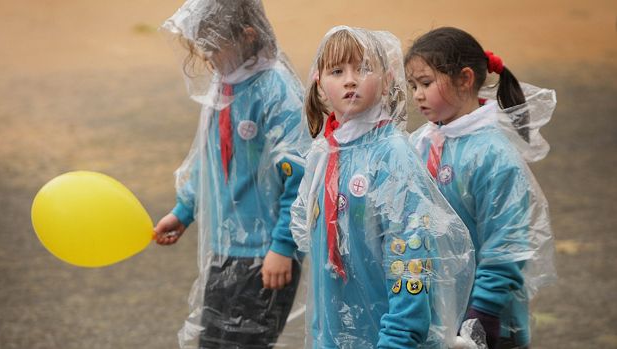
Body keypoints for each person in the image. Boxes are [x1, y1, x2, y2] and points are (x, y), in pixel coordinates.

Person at [290, 26, 475, 349]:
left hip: (388, 338)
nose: (350, 79)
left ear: (387, 79)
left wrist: (399, 338)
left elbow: (413, 254)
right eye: (337, 71)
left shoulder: (392, 155)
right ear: (319, 83)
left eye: (363, 69)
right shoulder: (325, 153)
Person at [154, 0, 310, 347]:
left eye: (213, 45)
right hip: (226, 248)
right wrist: (183, 211)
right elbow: (207, 159)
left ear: (247, 35)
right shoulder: (225, 84)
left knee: (248, 342)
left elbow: (300, 176)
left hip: (266, 251)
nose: (206, 55)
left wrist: (283, 246)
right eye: (201, 46)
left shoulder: (276, 90)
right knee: (214, 342)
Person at [405, 27, 558, 349]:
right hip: (435, 313)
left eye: (426, 83)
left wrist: (482, 314)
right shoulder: (423, 143)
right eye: (413, 85)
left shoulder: (493, 154)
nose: (417, 94)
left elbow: (508, 243)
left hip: (490, 322)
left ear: (465, 78)